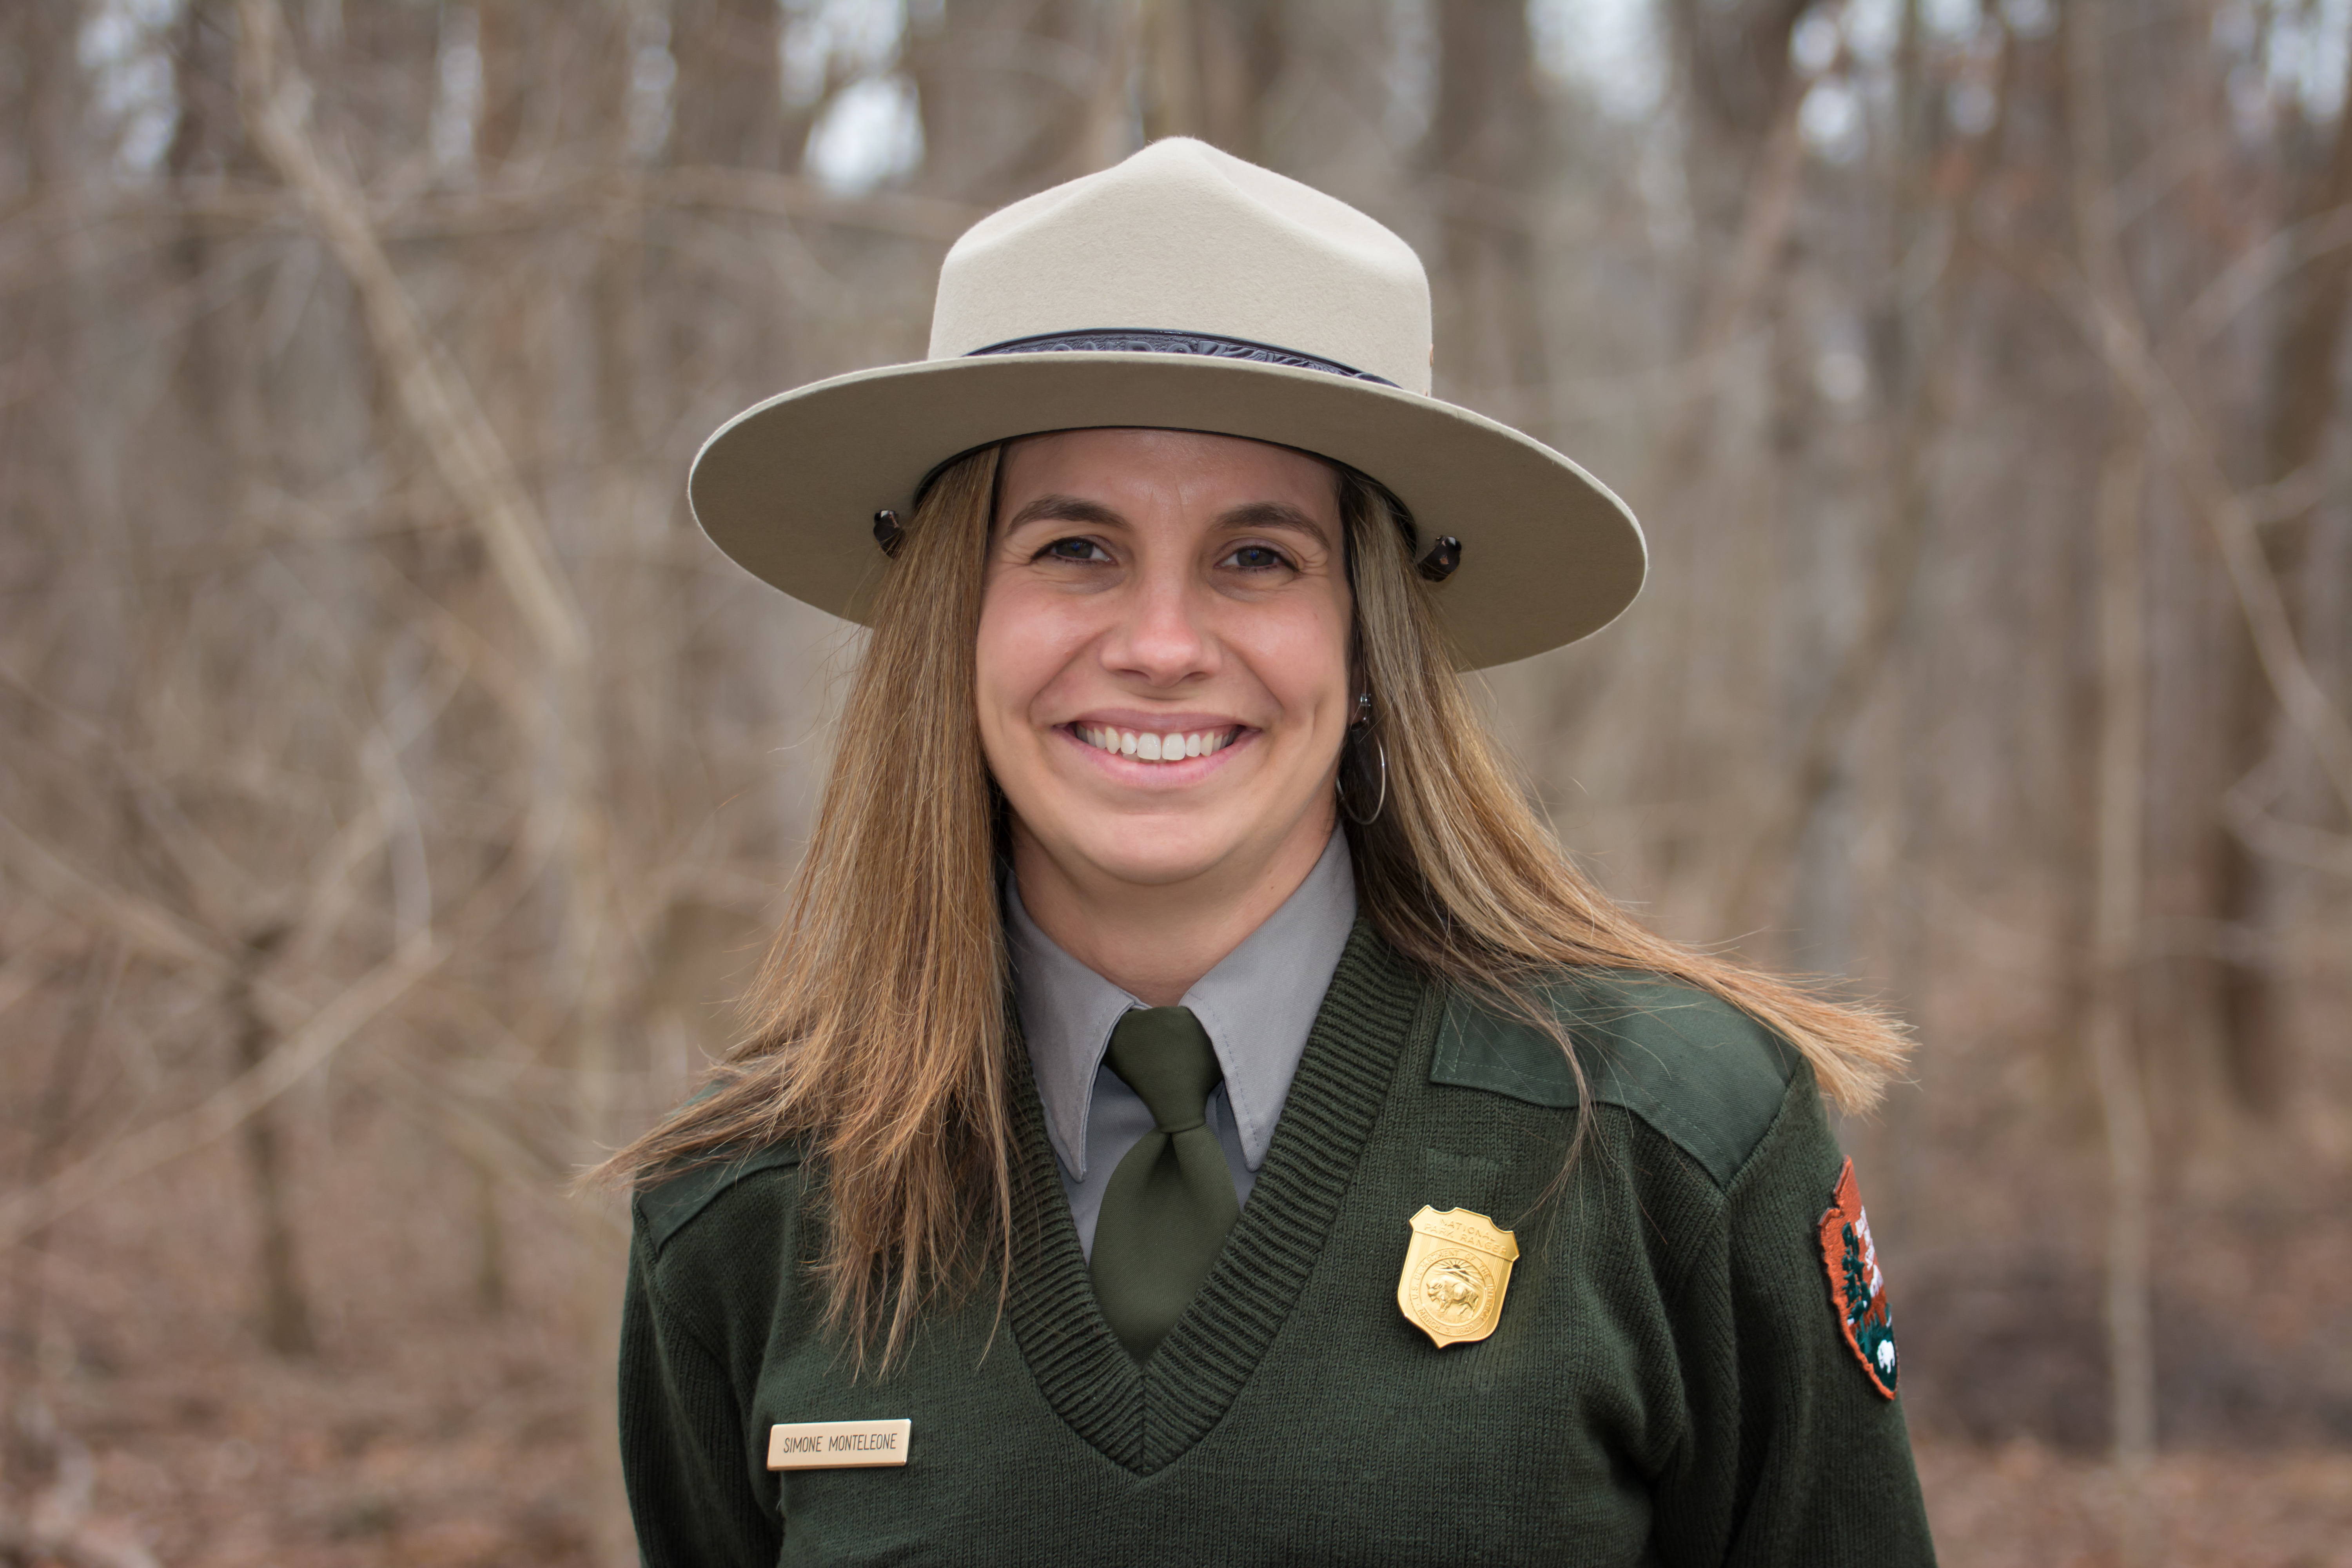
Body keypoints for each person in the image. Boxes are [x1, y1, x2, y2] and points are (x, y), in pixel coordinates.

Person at [603, 138, 1936, 1565]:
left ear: (1367, 640)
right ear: (954, 623)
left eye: (1258, 558)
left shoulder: (1672, 1142)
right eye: (1074, 549)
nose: (1164, 646)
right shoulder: (749, 1206)